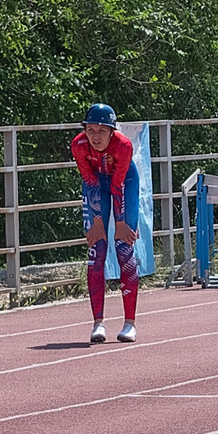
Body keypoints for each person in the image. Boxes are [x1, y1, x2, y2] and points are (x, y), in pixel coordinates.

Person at [71, 103, 142, 344]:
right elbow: (90, 182)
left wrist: (121, 222)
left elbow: (119, 185)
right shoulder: (78, 145)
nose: (95, 137)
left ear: (112, 131)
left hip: (125, 182)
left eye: (102, 131)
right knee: (97, 249)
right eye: (90, 130)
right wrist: (98, 221)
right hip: (97, 184)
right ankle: (98, 322)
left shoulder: (123, 146)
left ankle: (129, 323)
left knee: (124, 248)